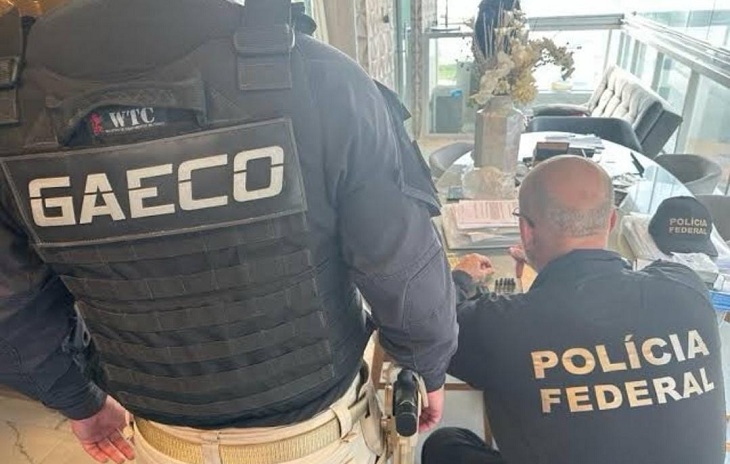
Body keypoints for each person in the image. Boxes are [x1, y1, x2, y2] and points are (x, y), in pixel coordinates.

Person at [0, 1, 457, 463]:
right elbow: (402, 267)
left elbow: (10, 311)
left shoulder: (12, 106)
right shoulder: (321, 76)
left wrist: (80, 400)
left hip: (161, 444)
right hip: (316, 444)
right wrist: (425, 366)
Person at [423, 155, 726, 464]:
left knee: (444, 445)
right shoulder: (688, 290)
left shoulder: (501, 328)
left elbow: (431, 325)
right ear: (611, 221)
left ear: (526, 231)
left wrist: (461, 278)